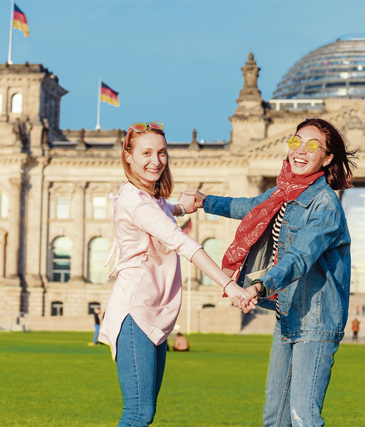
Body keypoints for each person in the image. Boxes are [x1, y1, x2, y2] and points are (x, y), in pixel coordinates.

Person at [181, 118, 356, 426]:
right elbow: (252, 207)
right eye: (296, 141)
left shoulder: (325, 206)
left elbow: (299, 257)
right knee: (275, 418)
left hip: (316, 320)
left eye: (312, 146)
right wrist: (205, 201)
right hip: (287, 313)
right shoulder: (284, 192)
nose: (300, 150)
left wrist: (260, 286)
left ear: (327, 158)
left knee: (303, 417)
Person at [98, 121, 256, 427]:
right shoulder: (136, 201)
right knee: (137, 413)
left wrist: (181, 208)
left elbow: (160, 211)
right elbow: (182, 243)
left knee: (145, 412)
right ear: (128, 156)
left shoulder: (147, 198)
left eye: (161, 152)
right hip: (135, 312)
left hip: (155, 312)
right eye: (146, 153)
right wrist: (230, 286)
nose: (156, 160)